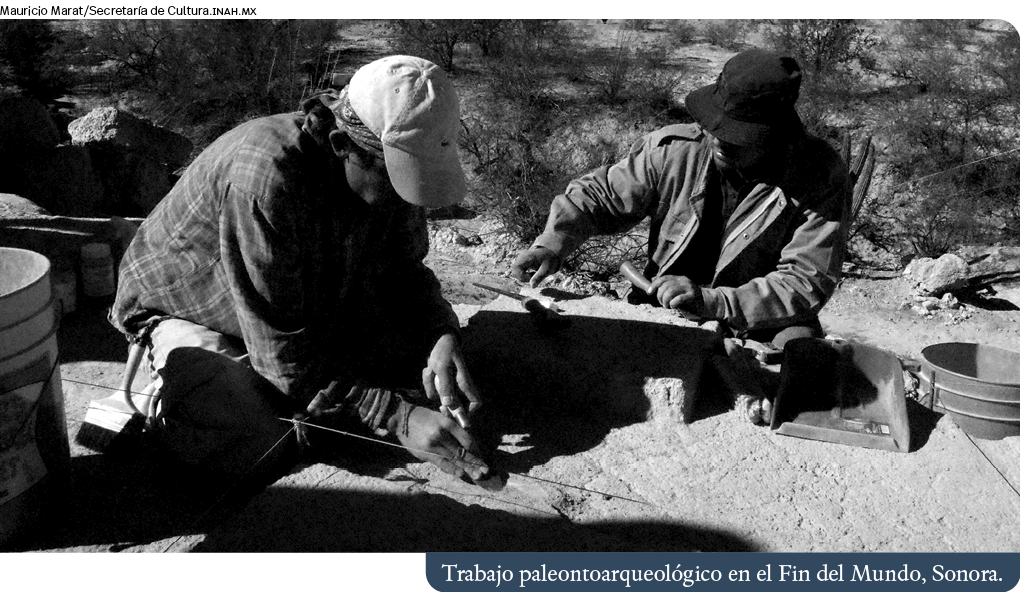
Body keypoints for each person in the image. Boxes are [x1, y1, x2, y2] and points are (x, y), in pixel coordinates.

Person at [109, 55, 489, 483]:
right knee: (254, 441)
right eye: (396, 179)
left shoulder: (381, 178)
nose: (405, 201)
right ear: (342, 145)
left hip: (303, 297)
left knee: (417, 366)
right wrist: (397, 417)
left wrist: (438, 333)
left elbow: (403, 272)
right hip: (196, 303)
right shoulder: (267, 177)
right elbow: (280, 350)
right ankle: (165, 392)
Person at [512, 49, 850, 349]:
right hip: (665, 308)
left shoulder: (819, 176)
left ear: (773, 135)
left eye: (736, 133)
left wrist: (714, 303)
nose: (716, 137)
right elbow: (600, 195)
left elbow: (805, 281)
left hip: (761, 323)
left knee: (800, 360)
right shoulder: (674, 150)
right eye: (716, 123)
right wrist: (551, 243)